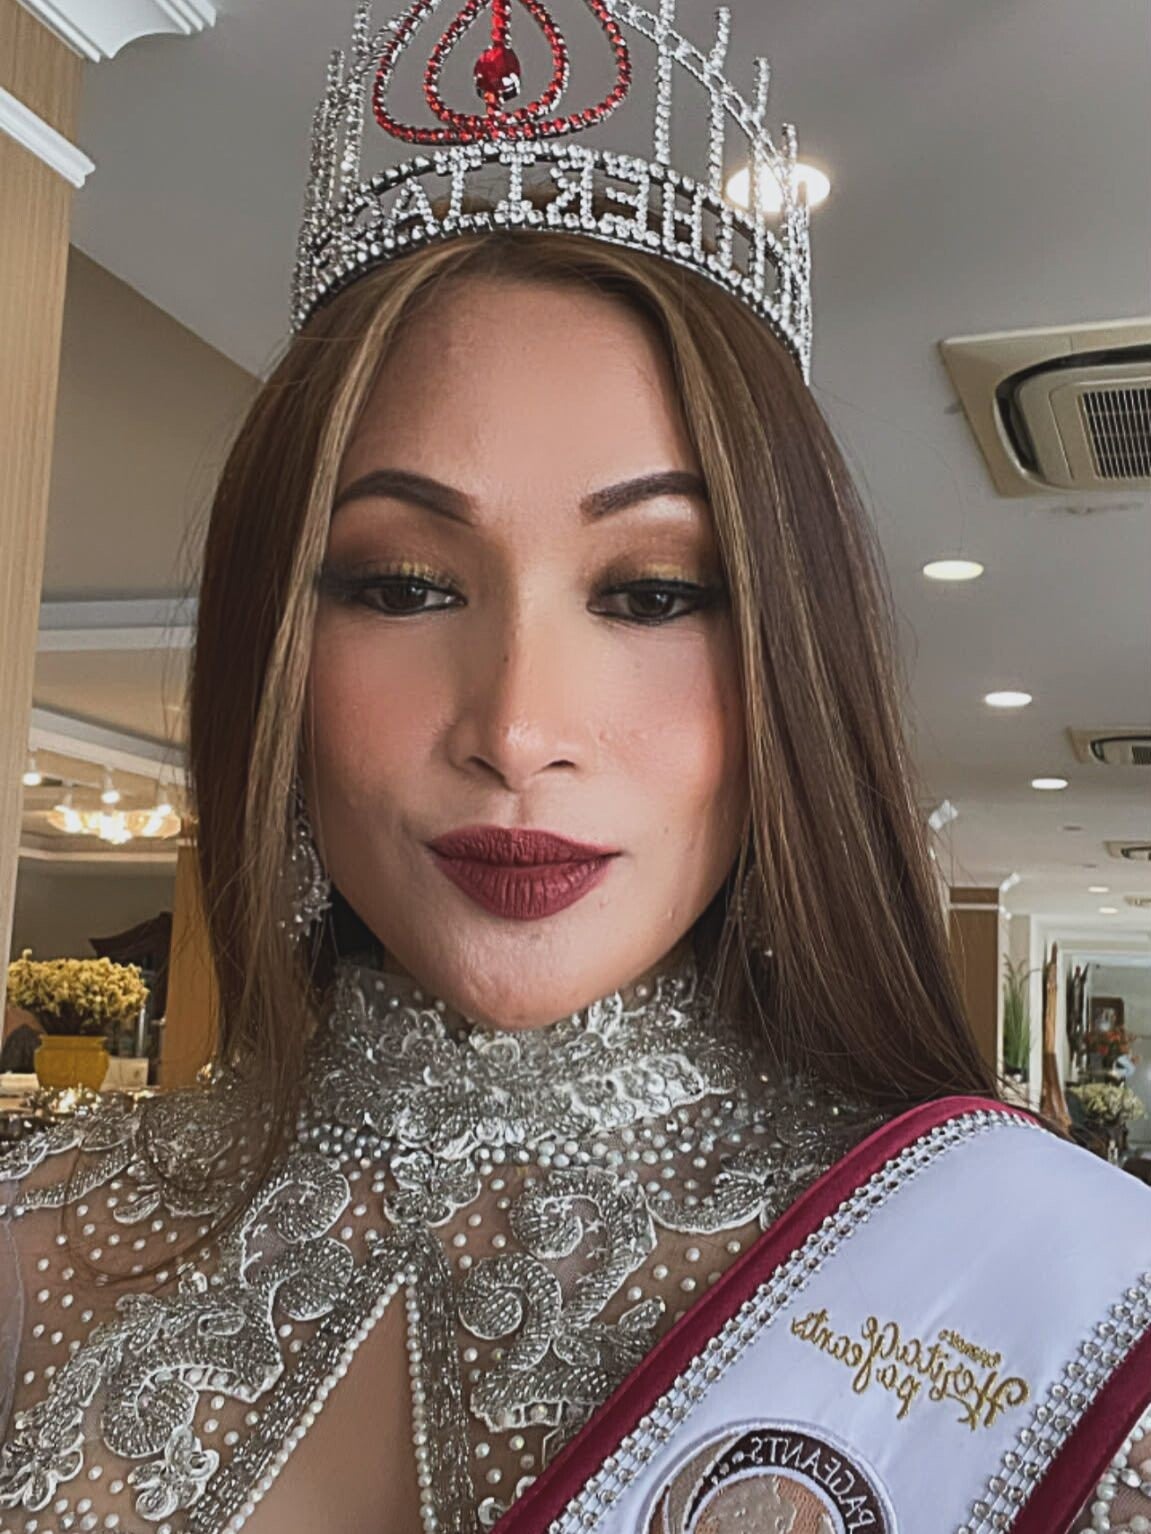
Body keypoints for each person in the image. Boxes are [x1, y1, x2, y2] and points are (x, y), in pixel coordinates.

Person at [2, 3, 1150, 1531]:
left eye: (653, 592)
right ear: (276, 646)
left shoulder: (1041, 1310)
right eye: (403, 584)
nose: (517, 722)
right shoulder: (34, 1235)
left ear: (790, 664)